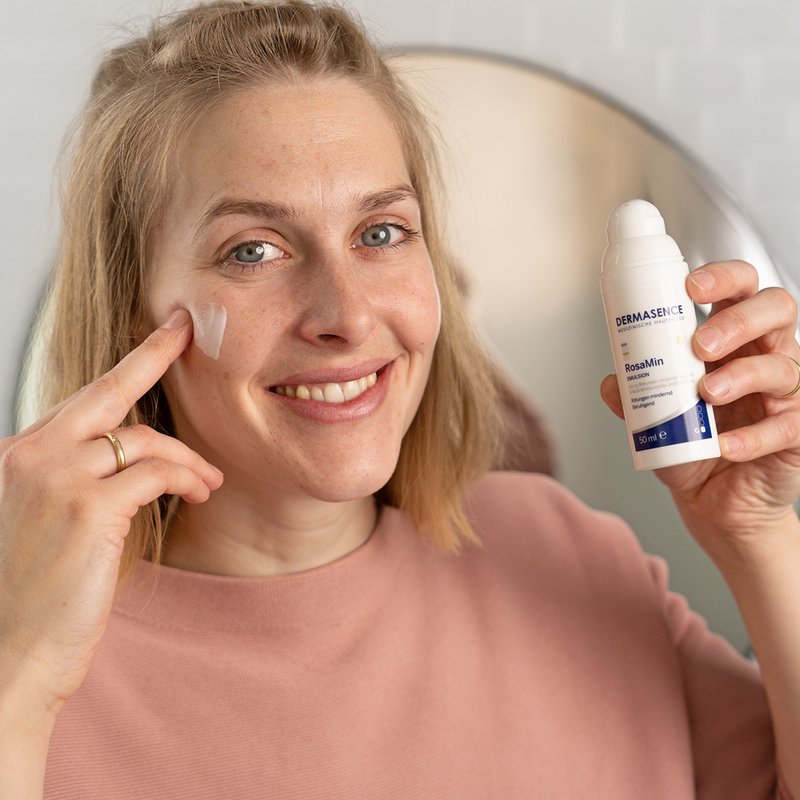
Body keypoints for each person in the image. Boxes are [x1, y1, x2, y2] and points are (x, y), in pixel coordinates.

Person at [1, 2, 798, 798]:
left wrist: (758, 536)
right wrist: (18, 678)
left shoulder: (568, 551)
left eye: (381, 232)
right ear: (133, 306)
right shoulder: (40, 654)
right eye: (252, 251)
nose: (347, 317)